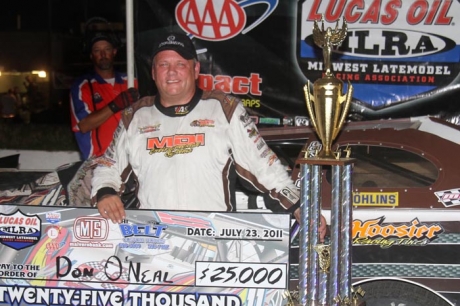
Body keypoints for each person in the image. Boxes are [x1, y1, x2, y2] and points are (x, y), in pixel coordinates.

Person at [91, 32, 326, 238]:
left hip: (211, 238)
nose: (171, 72)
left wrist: (300, 204)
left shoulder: (224, 109)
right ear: (153, 72)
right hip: (153, 238)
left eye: (180, 64)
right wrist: (105, 192)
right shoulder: (135, 116)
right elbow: (108, 166)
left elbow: (264, 166)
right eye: (163, 65)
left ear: (195, 69)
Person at [67, 30, 139, 207]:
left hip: (133, 163)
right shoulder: (83, 85)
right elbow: (83, 125)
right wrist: (115, 105)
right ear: (92, 55)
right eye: (97, 50)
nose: (103, 54)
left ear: (114, 51)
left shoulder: (131, 81)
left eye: (107, 49)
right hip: (98, 165)